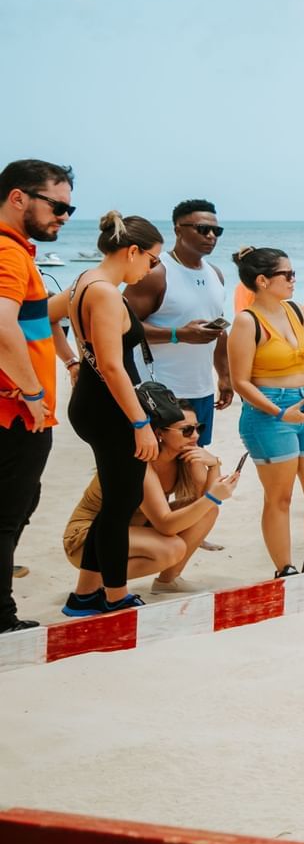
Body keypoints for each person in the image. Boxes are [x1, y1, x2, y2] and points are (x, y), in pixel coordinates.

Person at [53, 211, 166, 618]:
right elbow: (114, 366)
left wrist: (71, 361)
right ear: (132, 251)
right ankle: (115, 598)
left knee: (118, 500)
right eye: (152, 260)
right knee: (121, 505)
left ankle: (85, 595)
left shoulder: (83, 282)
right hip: (111, 408)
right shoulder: (102, 291)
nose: (152, 269)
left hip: (96, 402)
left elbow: (46, 317)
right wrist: (140, 424)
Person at [227, 246, 304, 577]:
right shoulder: (246, 322)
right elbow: (240, 382)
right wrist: (279, 412)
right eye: (286, 274)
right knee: (281, 497)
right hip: (269, 413)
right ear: (262, 280)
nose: (293, 279)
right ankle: (284, 568)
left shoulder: (294, 311)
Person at [0, 159, 74, 632]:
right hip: (14, 412)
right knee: (9, 513)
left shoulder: (18, 252)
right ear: (18, 198)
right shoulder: (7, 252)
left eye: (71, 208)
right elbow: (4, 326)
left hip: (18, 409)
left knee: (19, 506)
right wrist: (30, 392)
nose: (65, 217)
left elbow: (27, 316)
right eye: (58, 206)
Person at [63, 400, 236, 595]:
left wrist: (214, 464)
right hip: (88, 539)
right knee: (171, 549)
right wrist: (212, 497)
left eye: (198, 428)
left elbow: (204, 501)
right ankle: (96, 584)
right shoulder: (140, 460)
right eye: (186, 430)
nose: (195, 435)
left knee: (208, 510)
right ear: (159, 433)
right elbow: (166, 524)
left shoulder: (186, 454)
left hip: (133, 528)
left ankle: (168, 581)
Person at [126, 199, 234, 448]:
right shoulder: (156, 272)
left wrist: (225, 375)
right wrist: (178, 334)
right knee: (158, 466)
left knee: (194, 464)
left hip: (201, 389)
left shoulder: (215, 273)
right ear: (177, 229)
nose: (210, 236)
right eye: (201, 228)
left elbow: (219, 332)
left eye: (216, 231)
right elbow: (123, 327)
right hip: (159, 390)